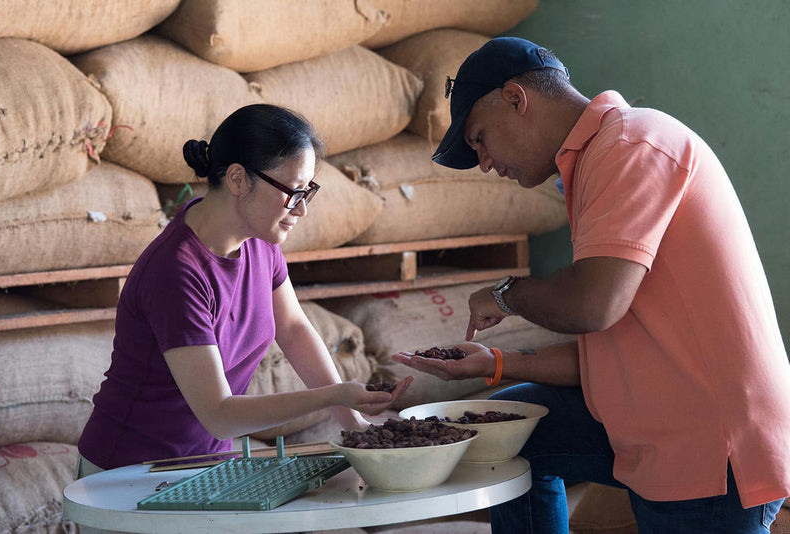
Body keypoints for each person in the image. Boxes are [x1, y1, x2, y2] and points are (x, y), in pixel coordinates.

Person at [391, 37, 790, 533]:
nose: (486, 163)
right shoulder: (597, 160)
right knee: (508, 434)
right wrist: (495, 363)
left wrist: (505, 295)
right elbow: (610, 355)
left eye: (479, 139)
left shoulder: (630, 145)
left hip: (707, 443)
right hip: (659, 415)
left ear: (515, 98)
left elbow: (592, 306)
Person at [77, 104, 412, 477]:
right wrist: (333, 395)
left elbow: (294, 330)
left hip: (203, 463)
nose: (301, 209)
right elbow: (219, 415)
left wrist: (354, 424)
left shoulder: (260, 241)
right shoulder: (175, 272)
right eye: (293, 192)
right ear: (238, 179)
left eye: (307, 192)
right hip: (127, 472)